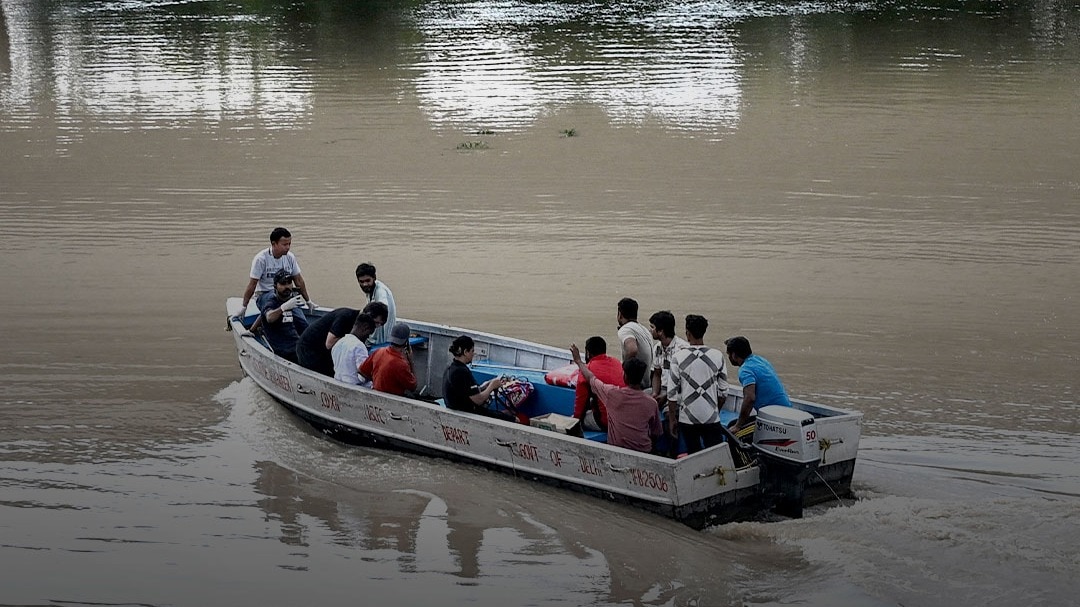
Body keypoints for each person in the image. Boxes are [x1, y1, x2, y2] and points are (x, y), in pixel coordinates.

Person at [570, 343, 661, 453]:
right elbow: (656, 433)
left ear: (625, 376)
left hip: (617, 449)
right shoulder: (651, 403)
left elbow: (590, 378)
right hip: (645, 450)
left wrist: (578, 361)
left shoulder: (612, 394)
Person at [668, 315, 729, 455]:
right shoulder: (718, 356)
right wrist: (714, 411)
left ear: (687, 333)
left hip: (687, 419)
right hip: (711, 418)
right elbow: (723, 392)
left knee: (694, 455)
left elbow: (672, 394)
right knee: (715, 456)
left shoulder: (678, 357)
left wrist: (672, 420)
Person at [297, 301, 388, 377]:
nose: (375, 327)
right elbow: (329, 343)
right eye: (376, 323)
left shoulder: (363, 330)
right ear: (368, 316)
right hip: (309, 349)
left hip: (325, 351)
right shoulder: (345, 317)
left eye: (380, 325)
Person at [725, 336, 792, 433]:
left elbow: (750, 398)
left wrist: (738, 426)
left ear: (734, 355)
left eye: (729, 355)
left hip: (775, 419)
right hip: (786, 411)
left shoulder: (745, 369)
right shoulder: (760, 360)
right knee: (732, 424)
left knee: (733, 434)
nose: (729, 358)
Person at [442, 335, 514, 420]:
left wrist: (485, 386)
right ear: (465, 352)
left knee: (505, 413)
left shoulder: (451, 368)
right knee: (511, 418)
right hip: (466, 413)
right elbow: (478, 400)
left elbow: (466, 392)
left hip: (456, 408)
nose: (474, 354)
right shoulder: (462, 372)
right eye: (472, 351)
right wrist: (492, 386)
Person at [242, 227, 311, 313]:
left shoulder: (290, 257)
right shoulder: (261, 259)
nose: (288, 247)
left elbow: (299, 280)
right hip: (265, 294)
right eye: (284, 245)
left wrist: (308, 301)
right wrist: (244, 306)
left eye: (289, 244)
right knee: (274, 299)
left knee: (300, 318)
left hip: (285, 294)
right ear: (274, 244)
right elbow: (252, 285)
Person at [255, 270, 309, 364]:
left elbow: (304, 327)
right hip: (284, 351)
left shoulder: (293, 303)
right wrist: (283, 308)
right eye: (283, 284)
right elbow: (269, 317)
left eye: (289, 283)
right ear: (275, 286)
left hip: (297, 345)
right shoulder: (271, 302)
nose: (287, 287)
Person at [572, 336, 625, 432]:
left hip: (606, 421)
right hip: (624, 417)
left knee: (574, 421)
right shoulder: (617, 363)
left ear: (588, 353)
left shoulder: (587, 370)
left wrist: (574, 421)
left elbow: (581, 401)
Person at [359, 322, 417, 397]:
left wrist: (376, 380)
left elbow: (361, 371)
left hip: (375, 395)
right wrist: (411, 361)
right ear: (406, 342)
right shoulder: (401, 364)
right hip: (394, 401)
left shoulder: (379, 352)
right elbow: (413, 387)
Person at [648, 310, 690, 411]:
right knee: (639, 400)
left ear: (661, 331)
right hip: (662, 389)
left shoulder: (683, 349)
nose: (650, 330)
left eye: (652, 327)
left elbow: (685, 382)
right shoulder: (657, 348)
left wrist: (666, 396)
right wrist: (654, 393)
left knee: (668, 412)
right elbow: (657, 374)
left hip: (680, 392)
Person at [356, 262, 397, 346]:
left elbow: (383, 308)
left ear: (374, 278)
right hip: (373, 339)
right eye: (361, 281)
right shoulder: (370, 290)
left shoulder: (381, 291)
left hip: (382, 341)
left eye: (368, 280)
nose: (365, 284)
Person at [331, 312, 377, 386]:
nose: (368, 337)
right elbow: (363, 376)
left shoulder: (338, 343)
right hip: (356, 388)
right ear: (365, 328)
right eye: (369, 333)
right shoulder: (359, 346)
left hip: (338, 383)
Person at [616, 297, 653, 387]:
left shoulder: (626, 329)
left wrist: (625, 371)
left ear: (620, 315)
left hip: (636, 384)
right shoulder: (644, 330)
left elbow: (632, 350)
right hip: (646, 382)